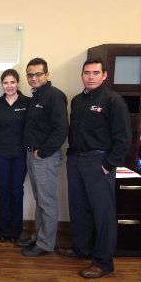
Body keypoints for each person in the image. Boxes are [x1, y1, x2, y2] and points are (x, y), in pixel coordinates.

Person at [56, 57, 131, 278]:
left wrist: (109, 164)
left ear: (104, 75)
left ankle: (103, 262)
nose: (90, 76)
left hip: (99, 163)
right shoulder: (78, 100)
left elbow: (124, 138)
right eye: (87, 73)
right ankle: (82, 249)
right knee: (79, 209)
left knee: (103, 214)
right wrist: (71, 156)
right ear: (82, 75)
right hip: (77, 161)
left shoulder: (113, 100)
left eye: (95, 73)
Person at [17, 58, 68, 256]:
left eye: (38, 74)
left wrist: (43, 152)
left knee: (47, 201)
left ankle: (45, 244)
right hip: (32, 154)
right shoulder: (36, 96)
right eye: (30, 75)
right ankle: (38, 236)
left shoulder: (54, 96)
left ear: (47, 75)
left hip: (44, 156)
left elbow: (61, 129)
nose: (34, 78)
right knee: (40, 199)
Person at [0, 69, 30, 243]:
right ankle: (4, 230)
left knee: (16, 191)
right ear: (2, 84)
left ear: (18, 83)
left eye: (12, 82)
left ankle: (16, 231)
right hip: (0, 154)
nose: (9, 86)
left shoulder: (28, 102)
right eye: (6, 82)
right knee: (3, 190)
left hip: (21, 154)